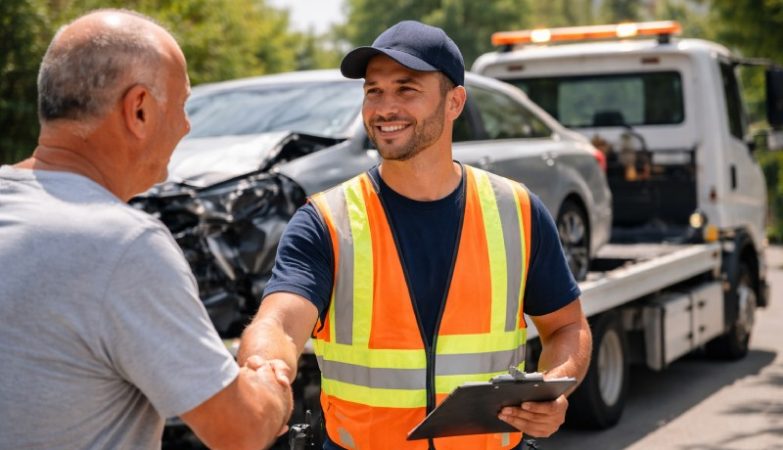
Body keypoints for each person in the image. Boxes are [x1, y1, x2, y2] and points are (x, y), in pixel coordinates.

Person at [238, 20, 592, 450]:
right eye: (373, 91)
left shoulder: (516, 211)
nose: (385, 107)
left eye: (406, 89)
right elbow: (280, 320)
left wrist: (552, 393)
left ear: (454, 102)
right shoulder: (326, 220)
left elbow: (567, 326)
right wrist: (263, 368)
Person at [0, 9, 292, 450]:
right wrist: (271, 386)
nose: (187, 126)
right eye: (181, 104)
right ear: (138, 110)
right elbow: (242, 431)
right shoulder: (121, 246)